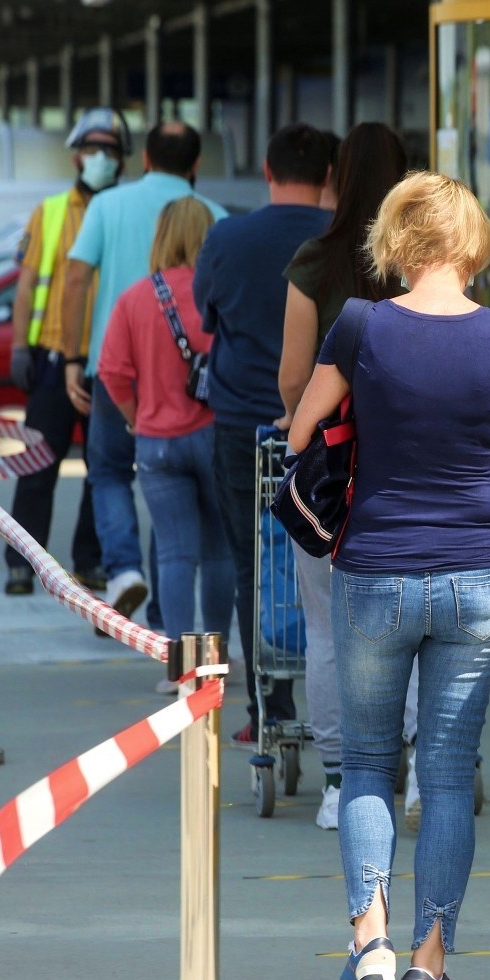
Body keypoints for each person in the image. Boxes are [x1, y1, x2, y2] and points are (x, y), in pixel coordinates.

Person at [289, 171, 490, 980]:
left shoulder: (360, 326)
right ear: (470, 243)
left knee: (366, 764)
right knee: (447, 767)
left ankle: (371, 948)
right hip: (474, 574)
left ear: (395, 240)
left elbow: (300, 434)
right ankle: (431, 965)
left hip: (377, 569)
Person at [277, 121, 408, 829]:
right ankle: (415, 770)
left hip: (332, 471)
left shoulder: (316, 262)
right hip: (411, 467)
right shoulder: (421, 265)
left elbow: (293, 376)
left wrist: (311, 426)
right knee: (410, 626)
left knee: (328, 631)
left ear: (337, 178)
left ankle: (337, 783)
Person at [192, 123, 332, 747]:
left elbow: (208, 316)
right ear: (328, 176)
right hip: (332, 428)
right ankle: (348, 707)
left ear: (268, 172)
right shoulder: (342, 243)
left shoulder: (226, 238)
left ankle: (267, 706)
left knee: (255, 563)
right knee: (338, 564)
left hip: (243, 425)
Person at [61, 121, 227, 624]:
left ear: (145, 159)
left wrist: (71, 356)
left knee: (110, 473)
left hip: (123, 381)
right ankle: (182, 630)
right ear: (196, 166)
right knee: (196, 533)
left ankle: (124, 570)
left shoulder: (106, 206)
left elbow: (74, 277)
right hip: (203, 403)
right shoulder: (216, 217)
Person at [95, 197, 232, 660]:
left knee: (175, 554)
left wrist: (138, 416)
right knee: (219, 553)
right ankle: (216, 658)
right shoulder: (221, 291)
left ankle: (181, 665)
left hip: (157, 444)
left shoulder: (135, 298)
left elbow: (111, 372)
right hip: (215, 436)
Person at [3, 108, 129, 596]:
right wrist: (19, 347)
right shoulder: (51, 211)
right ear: (77, 155)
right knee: (38, 466)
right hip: (55, 360)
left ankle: (90, 562)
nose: (101, 157)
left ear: (122, 160)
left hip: (108, 363)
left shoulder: (123, 208)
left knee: (103, 471)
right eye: (93, 148)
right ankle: (22, 561)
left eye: (111, 150)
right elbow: (26, 283)